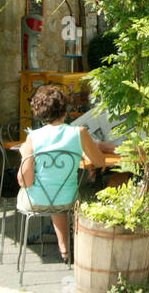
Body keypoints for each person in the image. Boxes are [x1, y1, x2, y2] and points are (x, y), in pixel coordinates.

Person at [18, 85, 117, 263]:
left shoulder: (33, 138)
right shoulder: (78, 133)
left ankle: (64, 248)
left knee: (51, 191)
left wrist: (24, 156)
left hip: (36, 201)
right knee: (82, 191)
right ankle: (71, 247)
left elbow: (25, 181)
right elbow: (100, 162)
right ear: (65, 109)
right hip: (68, 199)